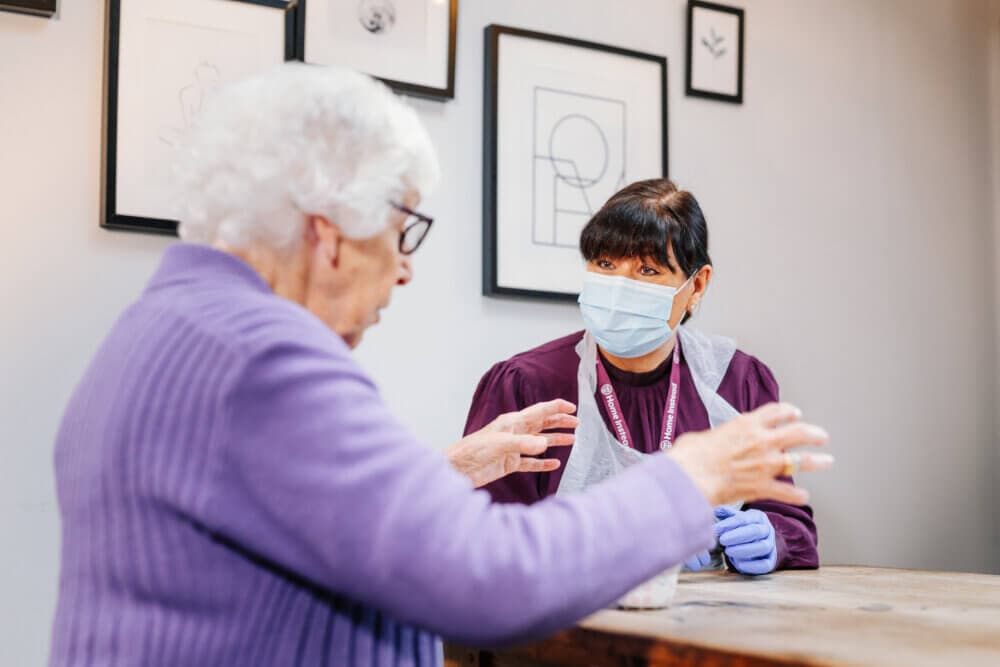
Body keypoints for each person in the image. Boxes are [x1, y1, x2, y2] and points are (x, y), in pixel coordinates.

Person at [49, 64, 831, 666]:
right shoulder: (264, 359)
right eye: (403, 233)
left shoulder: (163, 326)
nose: (405, 271)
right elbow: (486, 580)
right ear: (329, 234)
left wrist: (451, 466)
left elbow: (306, 513)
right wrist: (687, 480)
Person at [465, 179, 820, 575]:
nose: (619, 287)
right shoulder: (526, 386)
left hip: (709, 626)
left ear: (697, 285)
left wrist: (771, 536)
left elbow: (790, 519)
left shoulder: (738, 382)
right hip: (564, 628)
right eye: (605, 264)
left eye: (647, 269)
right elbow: (480, 543)